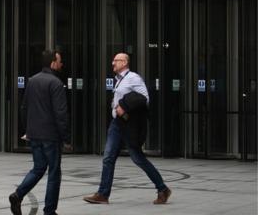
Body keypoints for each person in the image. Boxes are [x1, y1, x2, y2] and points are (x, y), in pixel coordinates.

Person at [84, 52, 172, 205]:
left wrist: (124, 106)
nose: (113, 63)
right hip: (116, 123)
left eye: (116, 61)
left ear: (124, 62)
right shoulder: (118, 80)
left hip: (129, 124)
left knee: (138, 159)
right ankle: (103, 194)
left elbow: (145, 98)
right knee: (108, 157)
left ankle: (162, 188)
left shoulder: (133, 78)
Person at [9, 50, 70, 215]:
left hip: (34, 134)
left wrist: (27, 129)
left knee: (38, 168)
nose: (61, 64)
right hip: (51, 136)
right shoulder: (56, 83)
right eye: (59, 61)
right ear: (52, 63)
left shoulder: (32, 81)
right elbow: (60, 113)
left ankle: (18, 194)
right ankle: (49, 210)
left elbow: (24, 107)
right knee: (54, 172)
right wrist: (65, 137)